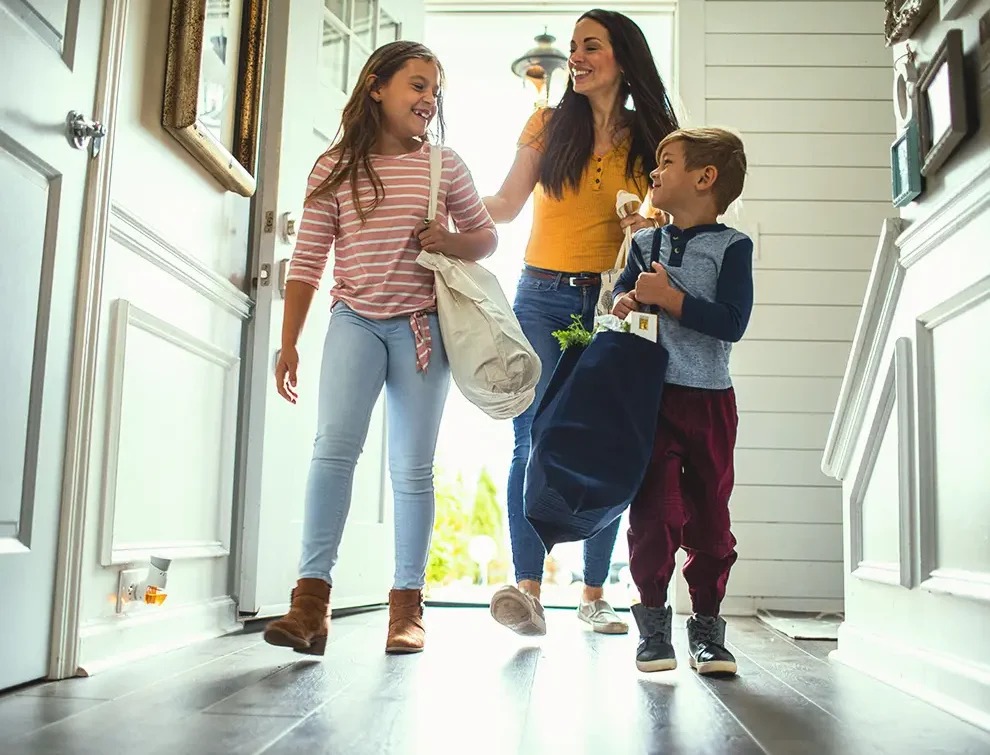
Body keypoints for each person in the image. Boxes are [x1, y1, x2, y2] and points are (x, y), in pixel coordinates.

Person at [263, 41, 497, 657]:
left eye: (434, 90)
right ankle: (309, 605)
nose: (428, 98)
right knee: (332, 453)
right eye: (417, 85)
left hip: (423, 329)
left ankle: (406, 610)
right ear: (376, 87)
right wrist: (288, 342)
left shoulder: (444, 166)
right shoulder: (333, 168)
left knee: (412, 471)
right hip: (355, 322)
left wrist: (448, 238)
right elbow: (308, 262)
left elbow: (486, 238)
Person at [484, 9, 679, 637]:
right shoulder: (547, 123)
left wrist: (653, 230)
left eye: (591, 46)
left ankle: (595, 594)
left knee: (606, 441)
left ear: (622, 57)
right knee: (531, 439)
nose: (579, 57)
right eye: (574, 48)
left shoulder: (650, 134)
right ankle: (529, 590)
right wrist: (439, 197)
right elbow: (507, 204)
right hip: (539, 296)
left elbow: (675, 220)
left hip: (613, 303)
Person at [611, 127, 752, 676]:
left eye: (665, 162)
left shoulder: (733, 247)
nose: (654, 173)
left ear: (704, 178)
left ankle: (709, 633)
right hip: (652, 402)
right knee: (653, 517)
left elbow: (732, 324)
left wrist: (670, 298)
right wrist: (628, 301)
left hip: (711, 405)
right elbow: (624, 298)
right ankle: (652, 629)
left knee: (711, 522)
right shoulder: (643, 244)